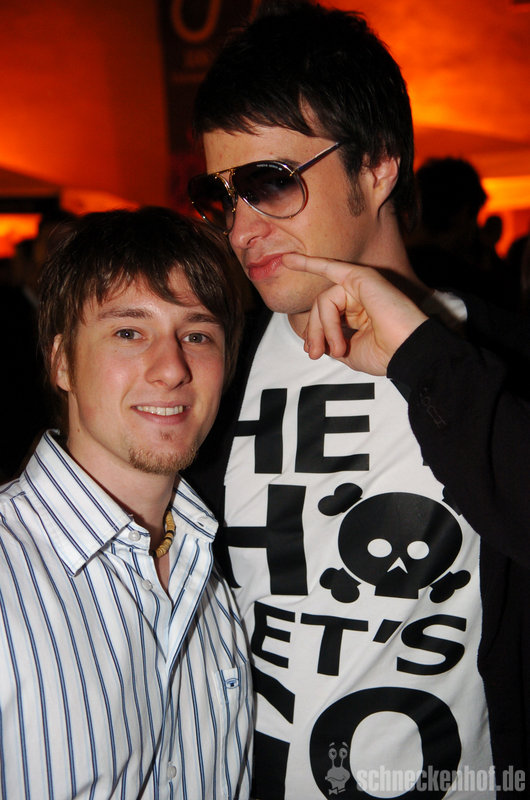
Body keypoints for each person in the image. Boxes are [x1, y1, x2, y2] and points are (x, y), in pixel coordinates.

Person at [186, 2, 527, 797]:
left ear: (377, 167)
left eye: (271, 183)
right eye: (223, 195)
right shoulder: (212, 372)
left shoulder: (499, 359)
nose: (241, 229)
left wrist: (423, 362)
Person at [0, 207, 252, 799]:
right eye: (129, 333)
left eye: (197, 335)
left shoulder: (217, 580)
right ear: (62, 362)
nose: (172, 369)